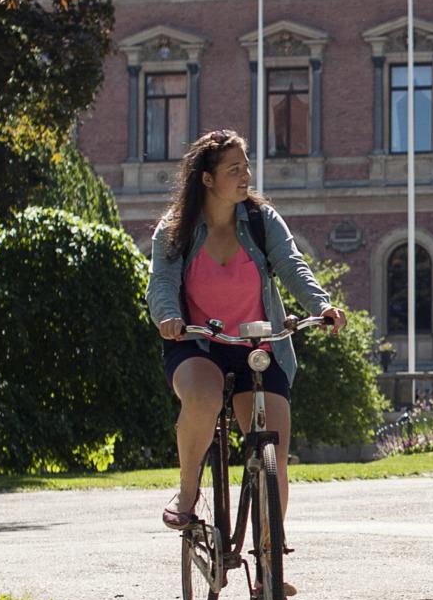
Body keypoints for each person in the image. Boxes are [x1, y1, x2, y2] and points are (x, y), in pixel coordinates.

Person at [145, 129, 345, 546]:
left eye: (246, 166)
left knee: (273, 450)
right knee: (202, 397)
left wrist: (320, 306)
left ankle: (270, 558)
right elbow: (161, 284)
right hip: (197, 342)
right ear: (207, 178)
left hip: (258, 344)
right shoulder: (175, 229)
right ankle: (187, 492)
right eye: (234, 168)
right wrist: (168, 317)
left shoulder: (260, 220)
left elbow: (291, 265)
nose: (245, 175)